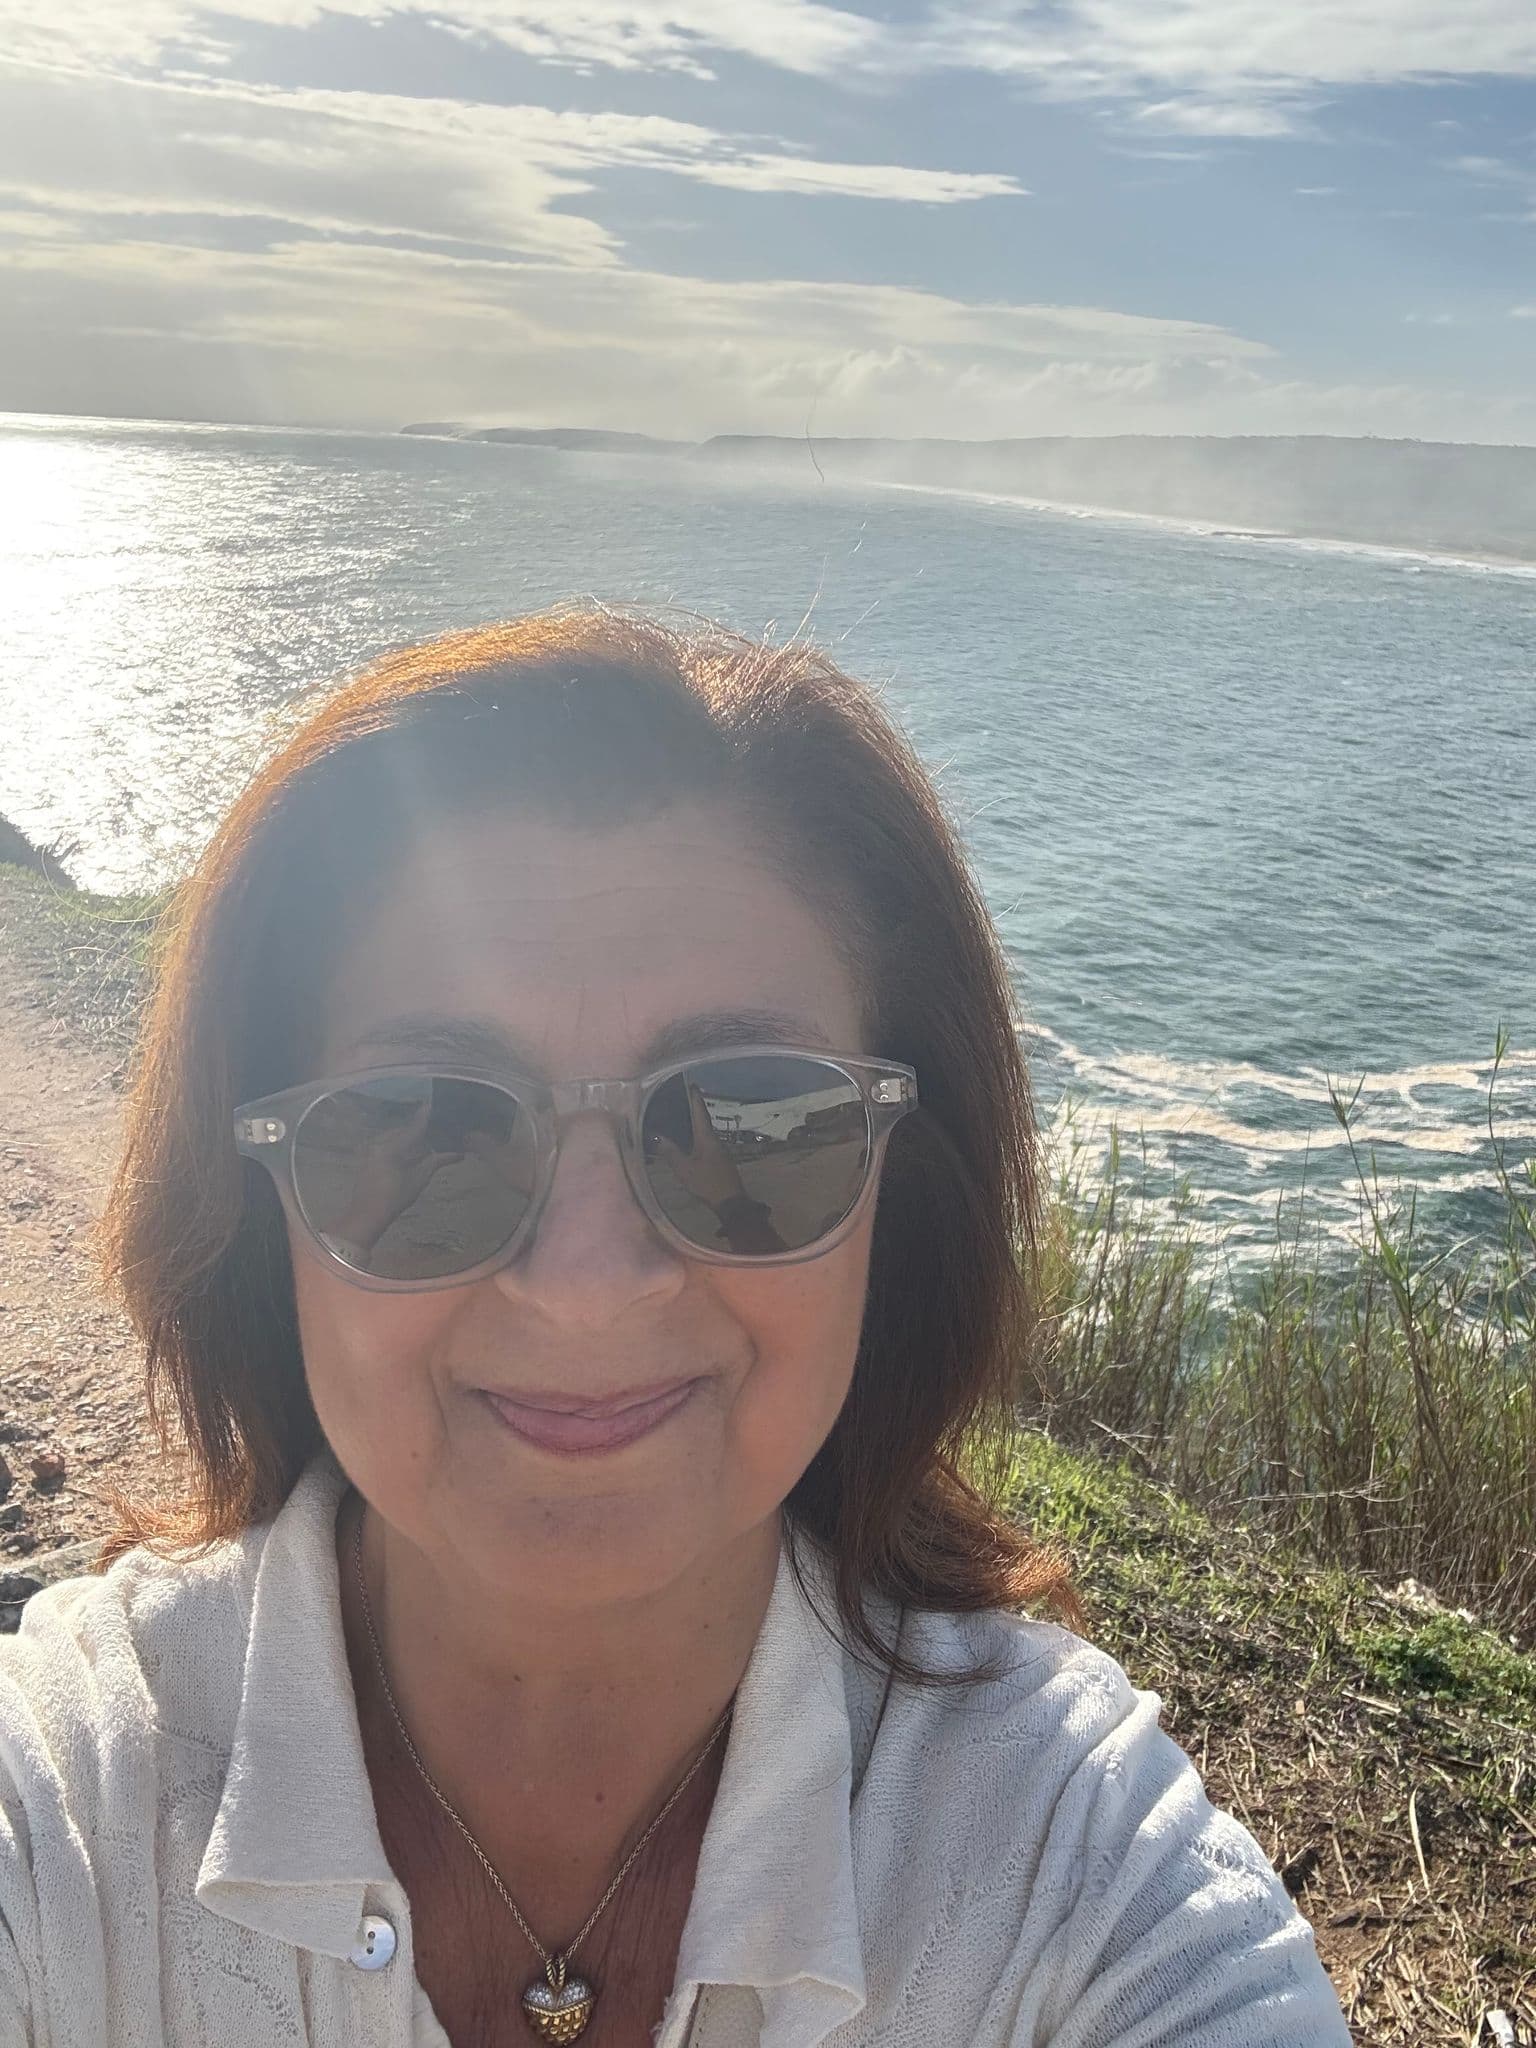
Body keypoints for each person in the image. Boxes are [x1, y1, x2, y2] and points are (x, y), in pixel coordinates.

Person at [0, 608, 1351, 2048]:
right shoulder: (69, 1803)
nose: (587, 1283)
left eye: (754, 1127)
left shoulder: (1081, 1878)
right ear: (264, 1206)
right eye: (424, 1132)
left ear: (904, 1194)